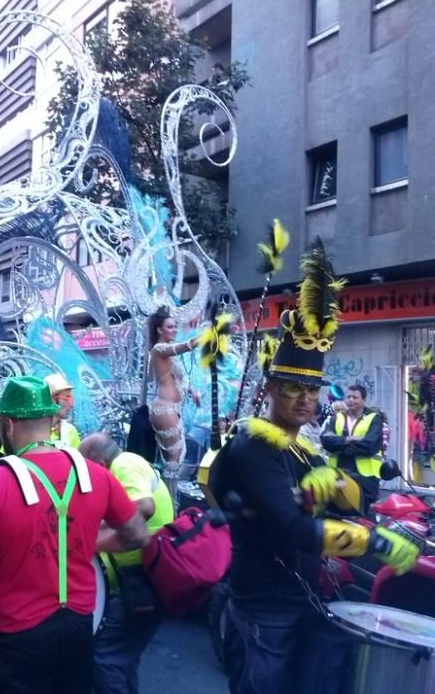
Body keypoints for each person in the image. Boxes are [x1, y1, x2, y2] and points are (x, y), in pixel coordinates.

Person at [205, 240, 419, 694]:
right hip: (266, 601)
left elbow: (348, 500)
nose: (305, 399)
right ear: (270, 389)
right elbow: (292, 528)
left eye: (313, 389)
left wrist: (330, 484)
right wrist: (373, 539)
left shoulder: (299, 447)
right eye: (292, 388)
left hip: (298, 593)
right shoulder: (254, 447)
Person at [0, 376, 148, 694]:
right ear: (51, 420)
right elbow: (137, 534)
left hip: (15, 639)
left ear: (7, 424)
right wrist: (87, 542)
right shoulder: (95, 475)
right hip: (78, 630)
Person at [79, 432, 174, 694]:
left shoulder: (125, 464)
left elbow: (144, 506)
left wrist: (91, 528)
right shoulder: (124, 468)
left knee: (105, 657)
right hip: (144, 579)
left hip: (143, 580)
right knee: (124, 658)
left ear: (98, 464)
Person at [147, 306, 198, 466]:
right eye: (170, 327)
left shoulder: (167, 354)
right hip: (164, 408)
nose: (174, 330)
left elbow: (177, 377)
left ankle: (170, 489)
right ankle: (168, 490)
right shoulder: (158, 349)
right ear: (159, 330)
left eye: (175, 326)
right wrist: (206, 336)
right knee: (174, 458)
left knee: (177, 456)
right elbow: (183, 347)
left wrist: (192, 391)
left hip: (174, 409)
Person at [321, 384, 384, 507]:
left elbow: (370, 446)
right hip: (338, 475)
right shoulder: (337, 418)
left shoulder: (373, 418)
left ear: (364, 400)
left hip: (365, 479)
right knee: (338, 516)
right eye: (348, 397)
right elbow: (326, 441)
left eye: (355, 397)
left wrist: (340, 446)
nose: (350, 400)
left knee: (365, 520)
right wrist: (348, 439)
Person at [44, 373, 81, 448]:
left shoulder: (70, 431)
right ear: (51, 399)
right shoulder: (33, 432)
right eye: (67, 397)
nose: (71, 404)